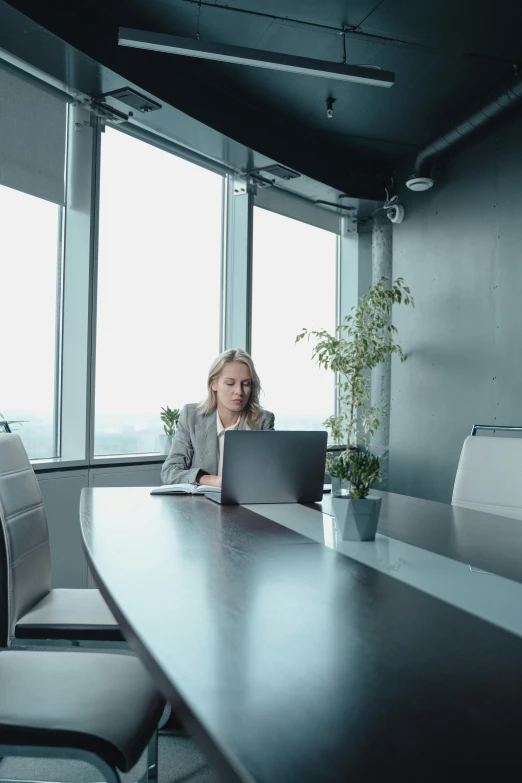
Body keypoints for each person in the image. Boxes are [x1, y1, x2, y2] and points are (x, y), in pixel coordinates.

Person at [161, 348, 275, 486]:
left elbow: (270, 475)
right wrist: (211, 480)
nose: (239, 391)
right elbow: (170, 471)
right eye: (230, 383)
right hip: (198, 505)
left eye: (246, 384)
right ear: (213, 384)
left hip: (243, 504)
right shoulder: (191, 416)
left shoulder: (262, 421)